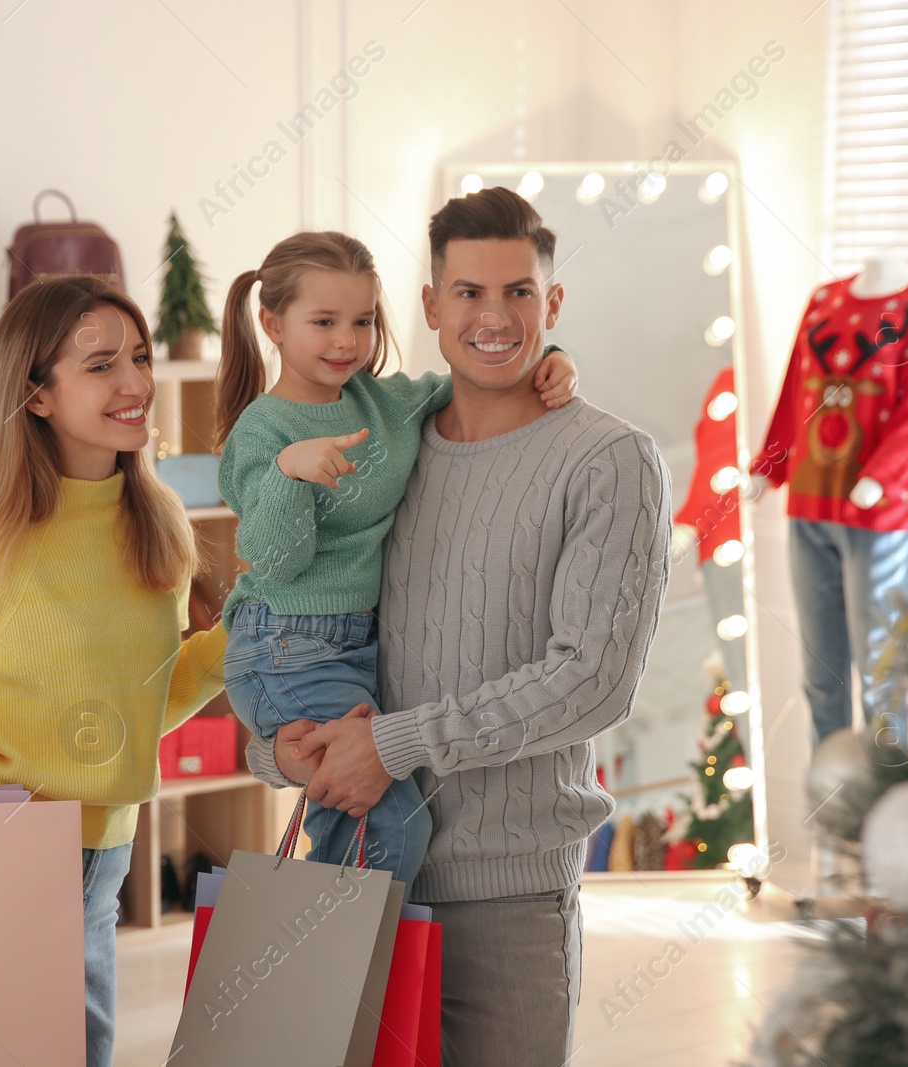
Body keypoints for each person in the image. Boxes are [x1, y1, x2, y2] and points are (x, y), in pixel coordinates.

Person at [247, 187, 672, 1065]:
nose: (495, 316)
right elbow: (291, 633)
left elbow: (592, 679)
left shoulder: (609, 460)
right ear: (433, 307)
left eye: (520, 292)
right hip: (353, 873)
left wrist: (394, 746)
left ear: (553, 306)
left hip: (506, 895)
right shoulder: (380, 455)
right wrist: (277, 756)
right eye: (469, 293)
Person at [0, 275, 226, 1067]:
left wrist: (237, 643)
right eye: (100, 365)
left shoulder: (157, 526)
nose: (134, 384)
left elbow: (145, 704)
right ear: (36, 395)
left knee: (76, 1045)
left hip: (105, 849)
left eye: (139, 357)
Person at [214, 230, 577, 898]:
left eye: (362, 320)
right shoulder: (263, 432)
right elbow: (276, 558)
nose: (346, 341)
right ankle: (332, 981)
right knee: (390, 825)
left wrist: (552, 358)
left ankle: (337, 985)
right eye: (323, 322)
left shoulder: (382, 402)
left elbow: (477, 369)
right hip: (286, 645)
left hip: (354, 646)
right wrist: (292, 476)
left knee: (354, 821)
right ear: (272, 322)